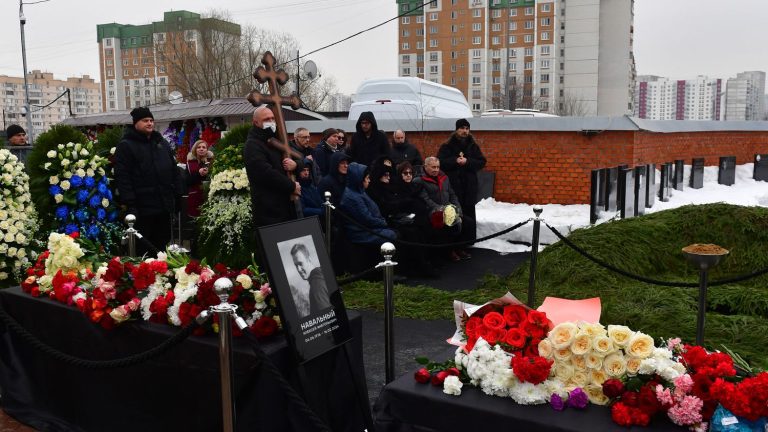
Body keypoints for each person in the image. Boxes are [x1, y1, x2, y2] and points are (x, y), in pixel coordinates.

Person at [114, 107, 180, 255]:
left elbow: (173, 168)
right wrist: (130, 204)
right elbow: (123, 177)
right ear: (136, 123)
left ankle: (161, 275)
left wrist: (177, 194)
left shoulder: (161, 143)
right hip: (142, 208)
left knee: (161, 246)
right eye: (145, 120)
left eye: (151, 120)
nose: (149, 123)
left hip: (163, 205)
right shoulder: (126, 145)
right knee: (143, 248)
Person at [243, 105, 304, 228]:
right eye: (266, 119)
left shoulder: (278, 139)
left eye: (272, 118)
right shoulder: (253, 145)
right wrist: (291, 186)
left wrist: (295, 165)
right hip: (269, 209)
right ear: (256, 122)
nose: (271, 122)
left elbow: (300, 157)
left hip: (287, 204)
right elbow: (264, 173)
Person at [413, 156, 475, 262]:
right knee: (449, 225)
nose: (436, 169)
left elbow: (452, 195)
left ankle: (459, 247)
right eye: (433, 167)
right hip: (433, 212)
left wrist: (458, 209)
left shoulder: (444, 178)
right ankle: (449, 251)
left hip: (449, 209)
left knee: (468, 222)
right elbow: (426, 200)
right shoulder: (419, 180)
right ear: (425, 166)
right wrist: (441, 209)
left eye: (437, 167)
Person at [437, 118, 487, 232]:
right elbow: (441, 162)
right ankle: (455, 242)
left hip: (469, 186)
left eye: (467, 128)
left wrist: (467, 161)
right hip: (453, 186)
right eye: (462, 128)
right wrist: (455, 160)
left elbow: (482, 162)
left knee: (469, 212)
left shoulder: (473, 146)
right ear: (456, 130)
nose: (465, 131)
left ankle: (469, 241)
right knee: (454, 213)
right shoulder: (447, 146)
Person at [339, 162, 396, 245]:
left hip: (369, 227)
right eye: (367, 178)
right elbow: (367, 219)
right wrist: (383, 222)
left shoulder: (359, 190)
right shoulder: (352, 197)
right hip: (360, 232)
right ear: (359, 179)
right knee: (392, 235)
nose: (369, 180)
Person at [290, 242, 331, 318]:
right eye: (296, 265)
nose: (299, 269)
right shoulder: (321, 274)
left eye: (300, 263)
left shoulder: (316, 283)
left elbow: (327, 317)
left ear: (309, 259)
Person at [186, 140, 213, 218]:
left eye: (204, 147)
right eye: (199, 147)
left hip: (209, 196)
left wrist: (208, 173)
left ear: (207, 150)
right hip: (195, 196)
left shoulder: (212, 162)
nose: (201, 149)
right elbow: (187, 181)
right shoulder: (189, 163)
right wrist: (199, 173)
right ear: (195, 149)